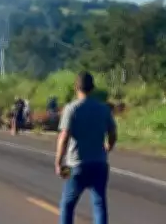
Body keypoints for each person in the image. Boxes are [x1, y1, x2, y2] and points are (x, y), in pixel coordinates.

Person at [56, 71, 116, 224]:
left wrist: (58, 162)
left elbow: (64, 137)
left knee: (67, 204)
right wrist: (108, 147)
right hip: (99, 163)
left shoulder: (72, 109)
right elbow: (113, 133)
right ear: (93, 88)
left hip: (76, 164)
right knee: (99, 204)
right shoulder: (103, 109)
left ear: (76, 87)